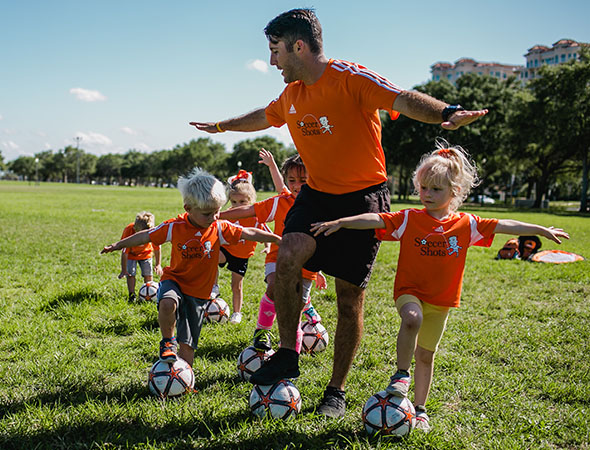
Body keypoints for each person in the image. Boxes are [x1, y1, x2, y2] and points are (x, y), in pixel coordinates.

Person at [189, 8, 487, 417]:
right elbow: (264, 116)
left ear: (299, 46)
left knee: (349, 298)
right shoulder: (292, 96)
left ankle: (336, 390)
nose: (272, 61)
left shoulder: (351, 78)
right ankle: (289, 353)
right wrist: (222, 125)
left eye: (276, 51)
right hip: (316, 195)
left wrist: (446, 112)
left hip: (363, 198)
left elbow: (401, 97)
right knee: (289, 253)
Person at [310, 142, 569, 431]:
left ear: (454, 192)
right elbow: (376, 218)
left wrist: (539, 229)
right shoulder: (410, 218)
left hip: (442, 301)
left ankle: (419, 409)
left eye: (435, 189)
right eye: (423, 188)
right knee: (411, 319)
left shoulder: (466, 224)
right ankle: (400, 375)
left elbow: (503, 225)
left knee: (426, 355)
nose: (427, 195)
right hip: (410, 292)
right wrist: (343, 222)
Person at [101, 168, 281, 367]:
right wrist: (118, 245)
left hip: (199, 292)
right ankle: (167, 342)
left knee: (188, 347)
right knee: (168, 303)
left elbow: (248, 232)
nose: (214, 217)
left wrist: (276, 239)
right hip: (175, 280)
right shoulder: (174, 226)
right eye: (207, 213)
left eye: (217, 212)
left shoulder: (218, 227)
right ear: (188, 208)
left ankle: (184, 378)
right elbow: (147, 235)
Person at [220, 150, 326, 353]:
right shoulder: (280, 202)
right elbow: (249, 210)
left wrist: (318, 271)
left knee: (294, 307)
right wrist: (220, 215)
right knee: (275, 288)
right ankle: (262, 331)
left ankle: (290, 352)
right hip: (277, 258)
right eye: (292, 180)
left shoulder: (320, 206)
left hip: (306, 266)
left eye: (303, 180)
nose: (296, 186)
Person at [214, 169, 272, 324]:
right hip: (226, 248)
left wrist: (268, 246)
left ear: (251, 201)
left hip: (242, 254)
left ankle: (236, 313)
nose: (237, 206)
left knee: (236, 284)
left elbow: (264, 231)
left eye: (242, 202)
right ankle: (213, 287)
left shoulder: (255, 217)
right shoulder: (228, 214)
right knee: (211, 258)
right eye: (234, 202)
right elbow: (215, 225)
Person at [118, 211, 163, 302]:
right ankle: (132, 295)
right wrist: (124, 270)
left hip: (146, 254)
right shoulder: (129, 231)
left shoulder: (153, 232)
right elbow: (124, 252)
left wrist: (158, 264)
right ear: (135, 228)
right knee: (130, 274)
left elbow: (157, 249)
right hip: (131, 255)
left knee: (148, 274)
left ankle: (149, 295)